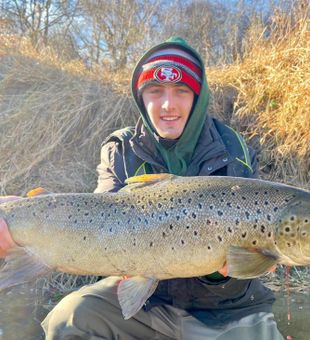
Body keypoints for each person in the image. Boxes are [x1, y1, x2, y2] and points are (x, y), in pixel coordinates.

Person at [0, 36, 283, 339]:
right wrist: (17, 218)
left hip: (225, 311)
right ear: (140, 96)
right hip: (148, 305)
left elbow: (243, 272)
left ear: (198, 98)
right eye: (155, 90)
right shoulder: (121, 147)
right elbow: (102, 220)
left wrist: (222, 274)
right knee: (69, 318)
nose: (167, 104)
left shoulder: (234, 149)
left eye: (182, 91)